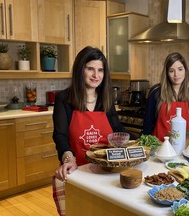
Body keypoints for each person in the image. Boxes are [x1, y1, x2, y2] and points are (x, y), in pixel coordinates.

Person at [52, 46, 132, 216]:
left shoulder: (106, 99)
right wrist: (68, 158)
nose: (96, 75)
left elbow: (117, 129)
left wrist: (133, 144)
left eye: (100, 70)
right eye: (90, 69)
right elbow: (60, 136)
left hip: (105, 171)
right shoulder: (64, 99)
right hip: (78, 170)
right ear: (80, 69)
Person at [142, 52, 189, 141]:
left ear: (185, 70)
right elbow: (147, 126)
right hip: (159, 147)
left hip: (184, 147)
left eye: (180, 69)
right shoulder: (156, 93)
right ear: (167, 73)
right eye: (171, 71)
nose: (176, 74)